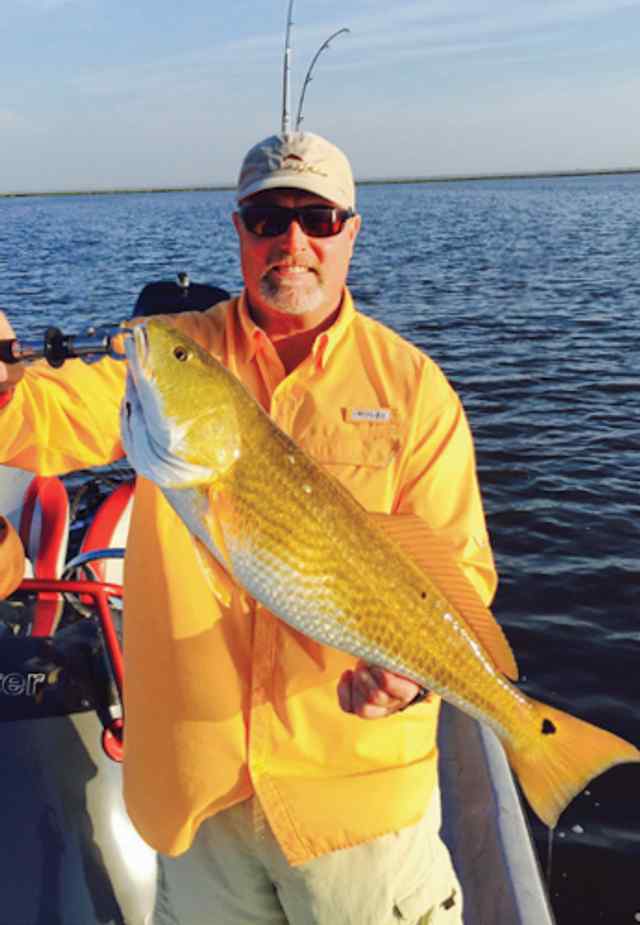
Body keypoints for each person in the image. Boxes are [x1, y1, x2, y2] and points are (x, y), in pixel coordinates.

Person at [0, 131, 497, 924]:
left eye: (319, 218)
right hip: (202, 809)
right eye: (268, 218)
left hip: (356, 816)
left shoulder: (415, 392)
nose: (292, 242)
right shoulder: (175, 354)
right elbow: (48, 417)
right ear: (238, 230)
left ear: (351, 232)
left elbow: (460, 574)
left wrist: (412, 677)